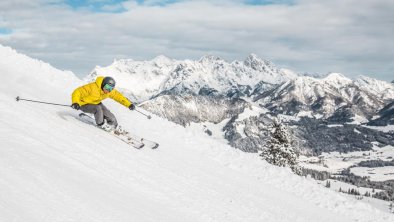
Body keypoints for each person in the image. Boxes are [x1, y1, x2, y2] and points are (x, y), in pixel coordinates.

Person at [71, 76, 135, 132]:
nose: (108, 90)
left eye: (111, 88)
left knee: (111, 117)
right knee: (98, 109)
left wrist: (129, 104)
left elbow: (119, 97)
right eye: (107, 87)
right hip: (83, 104)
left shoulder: (108, 92)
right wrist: (75, 102)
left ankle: (114, 126)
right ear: (103, 84)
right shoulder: (92, 87)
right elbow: (77, 92)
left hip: (96, 103)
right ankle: (101, 124)